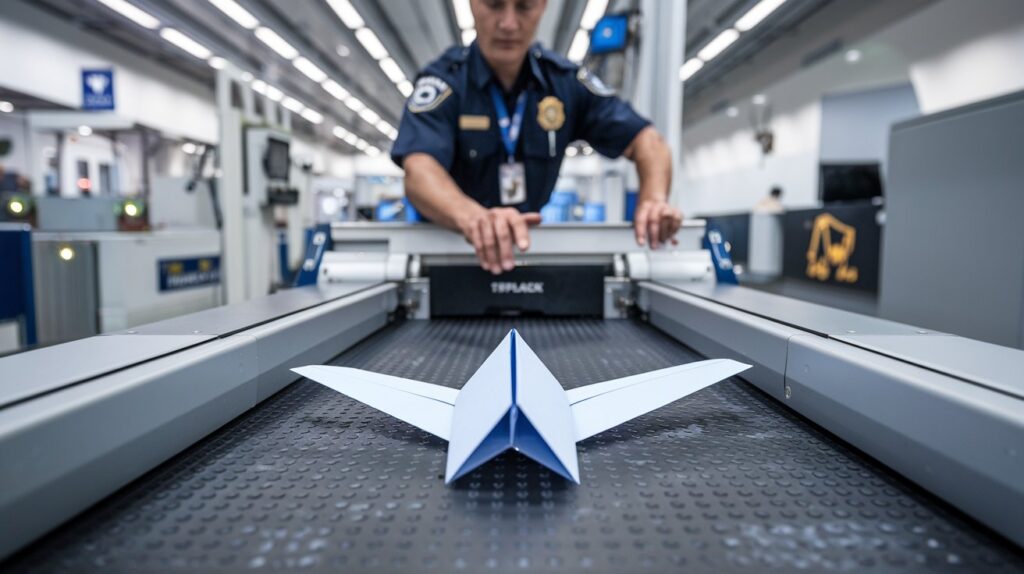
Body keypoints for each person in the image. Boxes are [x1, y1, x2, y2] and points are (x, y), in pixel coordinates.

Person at [391, 0, 682, 275]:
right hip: (445, 259)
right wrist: (475, 219)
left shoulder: (565, 83)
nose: (508, 23)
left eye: (524, 6)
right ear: (472, 4)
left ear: (542, 6)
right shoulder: (444, 82)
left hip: (529, 256)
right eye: (494, 5)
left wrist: (654, 200)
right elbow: (419, 171)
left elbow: (648, 141)